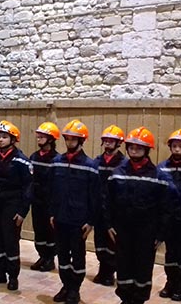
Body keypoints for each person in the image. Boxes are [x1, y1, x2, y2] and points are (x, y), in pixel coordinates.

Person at [105, 127, 174, 304]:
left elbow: (165, 209)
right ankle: (125, 298)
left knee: (142, 269)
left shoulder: (159, 177)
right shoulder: (117, 173)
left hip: (147, 234)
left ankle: (138, 299)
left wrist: (160, 235)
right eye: (131, 147)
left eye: (139, 148)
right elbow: (108, 202)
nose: (134, 151)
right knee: (123, 267)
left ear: (147, 150)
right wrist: (109, 225)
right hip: (123, 231)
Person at [50, 119, 99, 304]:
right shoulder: (57, 162)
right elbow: (52, 191)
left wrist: (91, 221)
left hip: (79, 221)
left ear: (81, 141)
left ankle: (74, 289)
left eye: (73, 139)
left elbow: (95, 197)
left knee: (78, 256)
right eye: (67, 139)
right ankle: (65, 285)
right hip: (61, 218)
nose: (69, 142)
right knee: (62, 255)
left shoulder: (90, 165)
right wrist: (52, 213)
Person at [0, 120, 32, 291]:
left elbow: (27, 187)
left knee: (11, 240)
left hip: (13, 204)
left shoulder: (21, 160)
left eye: (4, 137)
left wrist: (22, 211)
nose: (0, 140)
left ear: (13, 139)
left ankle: (13, 276)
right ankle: (0, 273)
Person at [93, 125, 126, 286]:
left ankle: (110, 272)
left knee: (112, 243)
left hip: (116, 211)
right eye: (105, 141)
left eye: (111, 141)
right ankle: (102, 269)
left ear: (118, 143)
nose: (107, 144)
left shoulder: (124, 164)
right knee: (99, 241)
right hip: (99, 208)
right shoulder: (96, 162)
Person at [29, 122, 60, 272]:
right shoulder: (34, 157)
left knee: (50, 232)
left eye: (42, 137)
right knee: (38, 230)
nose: (39, 139)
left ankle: (50, 259)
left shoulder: (56, 159)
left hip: (50, 202)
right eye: (38, 136)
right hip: (36, 201)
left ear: (51, 139)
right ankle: (42, 256)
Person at [159, 129, 181, 301]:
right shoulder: (162, 168)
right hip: (168, 219)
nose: (177, 149)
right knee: (170, 253)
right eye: (174, 146)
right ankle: (170, 282)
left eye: (180, 146)